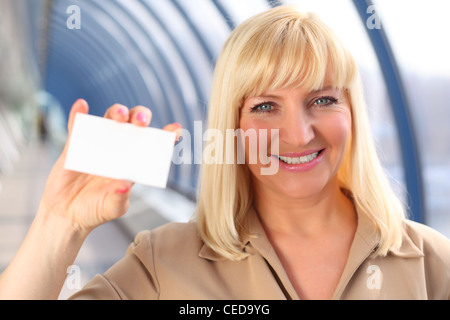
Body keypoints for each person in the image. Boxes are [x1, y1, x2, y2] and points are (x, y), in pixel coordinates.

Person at [0, 6, 449, 300]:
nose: (298, 133)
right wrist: (58, 223)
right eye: (266, 106)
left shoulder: (431, 264)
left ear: (353, 112)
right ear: (232, 126)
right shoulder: (164, 264)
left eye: (323, 100)